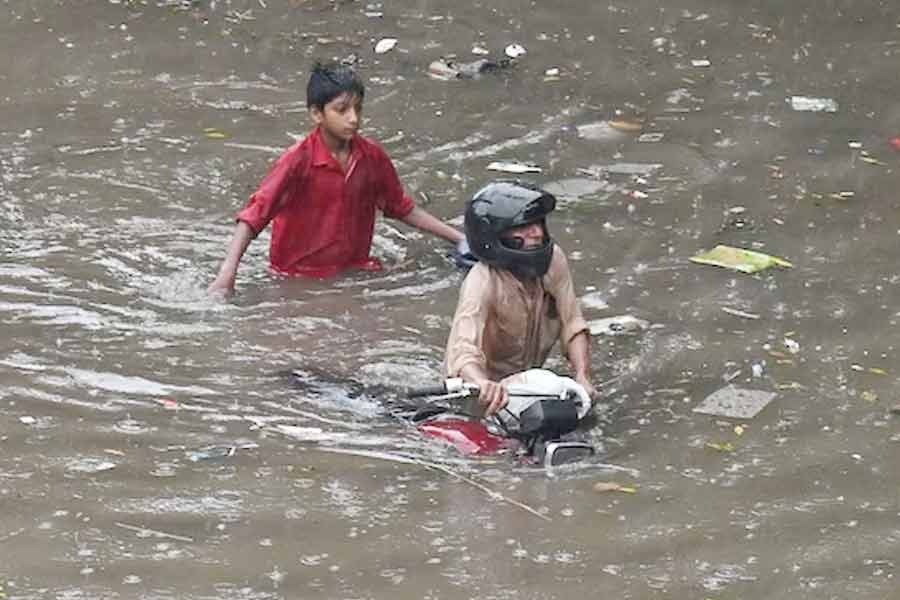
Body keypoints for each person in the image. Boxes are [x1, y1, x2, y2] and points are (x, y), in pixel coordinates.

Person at [208, 61, 464, 295]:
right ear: (317, 114)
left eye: (358, 109)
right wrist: (226, 275)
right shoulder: (297, 161)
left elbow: (401, 207)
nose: (353, 118)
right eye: (342, 110)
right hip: (297, 279)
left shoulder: (372, 158)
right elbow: (253, 218)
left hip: (355, 272)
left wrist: (460, 239)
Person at [443, 180, 594, 417]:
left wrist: (583, 376)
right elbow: (464, 350)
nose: (537, 233)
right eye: (523, 227)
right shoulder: (482, 281)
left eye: (537, 224)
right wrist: (483, 384)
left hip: (527, 386)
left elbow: (573, 324)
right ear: (495, 236)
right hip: (481, 393)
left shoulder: (553, 260)